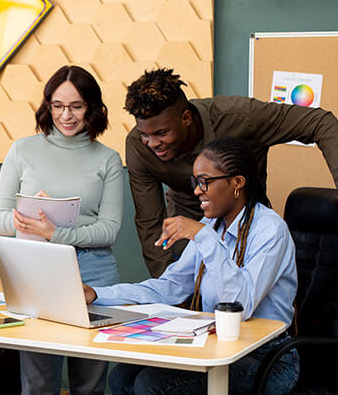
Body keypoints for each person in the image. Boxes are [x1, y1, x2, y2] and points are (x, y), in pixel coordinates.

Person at [84, 137, 300, 395]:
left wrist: (203, 237)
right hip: (217, 346)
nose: (197, 190)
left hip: (268, 360)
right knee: (122, 379)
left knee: (152, 387)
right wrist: (97, 294)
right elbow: (169, 288)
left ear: (237, 183)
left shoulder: (269, 230)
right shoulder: (212, 227)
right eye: (194, 181)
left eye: (204, 181)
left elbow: (240, 304)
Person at [0, 65, 124, 395]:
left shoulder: (108, 159)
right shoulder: (22, 150)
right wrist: (28, 219)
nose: (66, 115)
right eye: (58, 105)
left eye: (76, 106)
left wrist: (57, 232)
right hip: (37, 271)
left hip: (94, 275)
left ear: (93, 108)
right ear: (47, 106)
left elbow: (109, 229)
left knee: (89, 393)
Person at [125, 68, 338, 277]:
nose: (152, 143)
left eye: (161, 133)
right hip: (189, 233)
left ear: (186, 118)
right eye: (145, 134)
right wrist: (166, 285)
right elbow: (150, 223)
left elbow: (319, 122)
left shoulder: (241, 117)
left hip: (247, 230)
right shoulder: (138, 147)